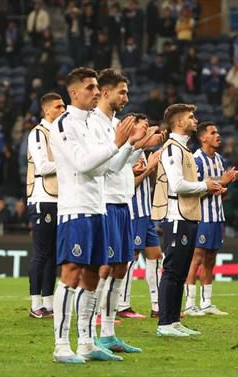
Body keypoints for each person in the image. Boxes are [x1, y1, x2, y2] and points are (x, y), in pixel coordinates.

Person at [48, 67, 134, 363]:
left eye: (97, 87)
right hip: (76, 210)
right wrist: (115, 144)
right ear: (74, 92)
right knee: (71, 275)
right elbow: (84, 164)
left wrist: (126, 145)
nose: (96, 92)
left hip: (98, 207)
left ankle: (85, 342)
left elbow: (106, 168)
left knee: (92, 277)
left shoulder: (90, 125)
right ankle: (61, 345)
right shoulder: (63, 124)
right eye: (90, 87)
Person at [92, 70, 160, 354]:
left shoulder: (116, 124)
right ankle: (90, 332)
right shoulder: (94, 124)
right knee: (105, 269)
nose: (126, 97)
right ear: (105, 92)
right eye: (122, 92)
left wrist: (137, 147)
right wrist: (131, 144)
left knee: (121, 268)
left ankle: (109, 333)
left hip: (123, 203)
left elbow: (120, 163)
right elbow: (106, 166)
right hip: (105, 202)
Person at [151, 104, 223, 337]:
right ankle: (165, 323)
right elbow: (178, 185)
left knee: (180, 272)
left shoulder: (184, 149)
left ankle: (173, 321)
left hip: (189, 215)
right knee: (172, 270)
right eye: (191, 117)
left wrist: (208, 190)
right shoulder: (172, 149)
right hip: (177, 217)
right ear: (179, 123)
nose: (195, 120)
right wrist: (205, 185)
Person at [183, 122, 238, 317]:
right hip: (201, 217)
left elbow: (216, 191)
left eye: (218, 132)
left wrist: (223, 188)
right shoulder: (196, 160)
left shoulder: (219, 160)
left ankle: (206, 303)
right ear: (202, 137)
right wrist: (221, 182)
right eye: (213, 133)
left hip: (217, 216)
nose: (218, 136)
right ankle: (190, 305)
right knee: (196, 259)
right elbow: (192, 193)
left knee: (210, 259)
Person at [118, 114, 165, 319]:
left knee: (156, 255)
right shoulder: (127, 153)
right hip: (134, 211)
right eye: (144, 127)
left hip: (145, 213)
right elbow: (130, 184)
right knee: (132, 257)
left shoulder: (142, 151)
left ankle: (157, 306)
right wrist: (149, 170)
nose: (147, 130)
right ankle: (123, 305)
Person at [26, 92, 66, 319]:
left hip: (59, 199)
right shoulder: (38, 133)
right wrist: (69, 161)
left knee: (52, 254)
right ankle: (35, 303)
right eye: (59, 107)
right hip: (43, 198)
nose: (63, 110)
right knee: (41, 253)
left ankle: (49, 304)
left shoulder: (59, 134)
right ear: (47, 110)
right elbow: (42, 166)